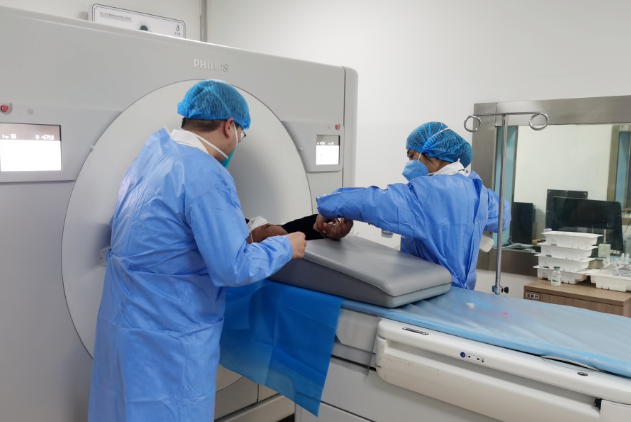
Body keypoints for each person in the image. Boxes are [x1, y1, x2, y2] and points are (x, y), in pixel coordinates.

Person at [88, 80, 307, 422]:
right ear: (230, 126)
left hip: (126, 322)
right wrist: (285, 246)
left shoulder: (152, 156)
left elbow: (166, 235)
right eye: (241, 134)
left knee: (122, 408)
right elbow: (232, 268)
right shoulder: (206, 172)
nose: (236, 143)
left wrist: (247, 233)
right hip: (170, 336)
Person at [314, 122, 509, 290]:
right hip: (463, 294)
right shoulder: (478, 189)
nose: (409, 163)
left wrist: (327, 205)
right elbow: (503, 218)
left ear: (434, 155)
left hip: (430, 293)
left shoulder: (426, 193)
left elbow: (372, 201)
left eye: (411, 155)